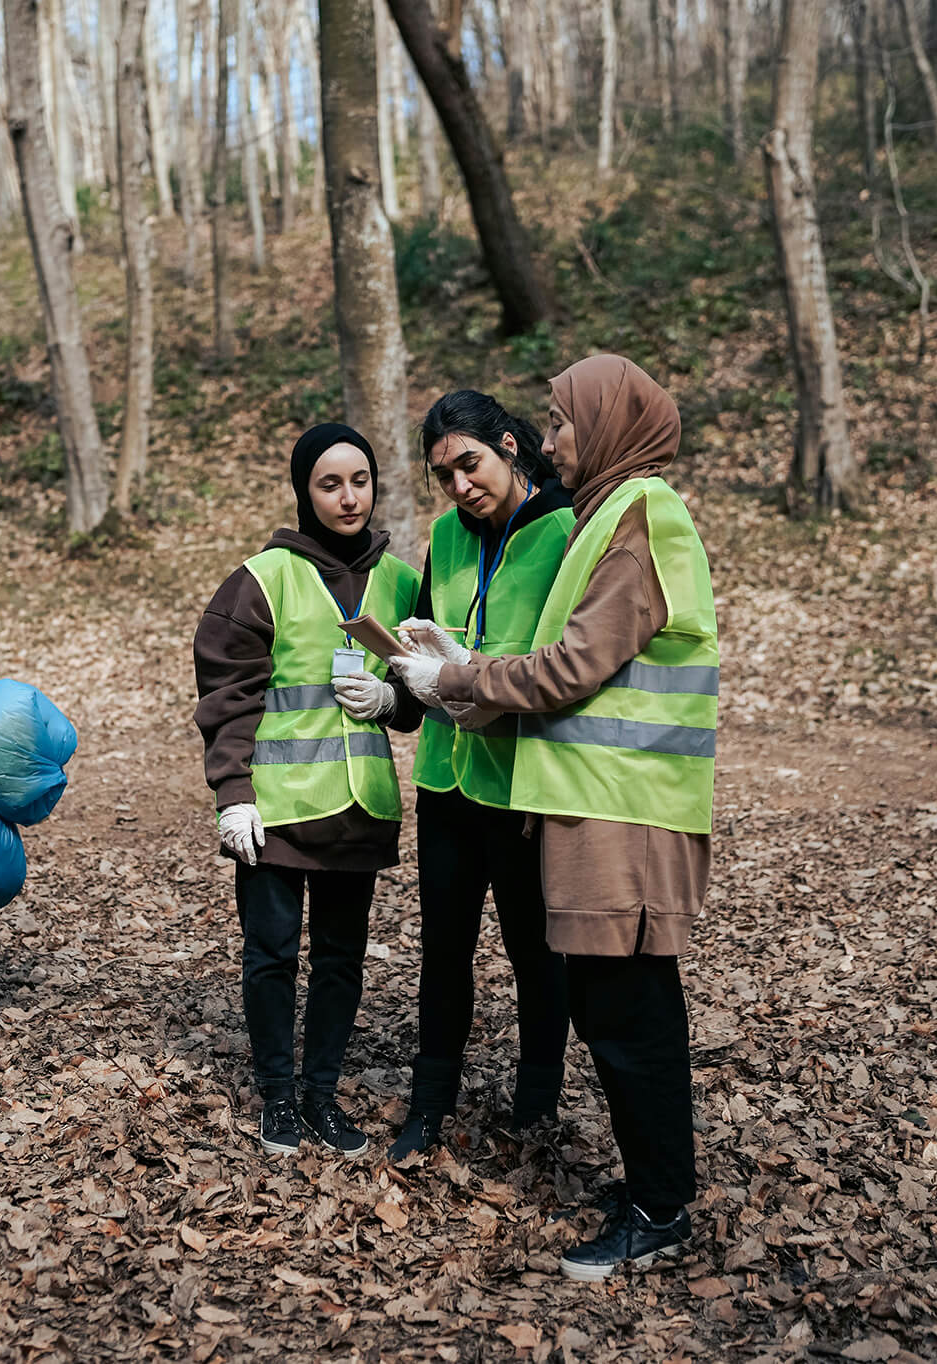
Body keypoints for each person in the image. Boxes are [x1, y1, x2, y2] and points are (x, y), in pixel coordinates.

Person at [390, 356, 716, 1281]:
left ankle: (659, 1210)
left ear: (608, 424)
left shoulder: (638, 516)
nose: (552, 439)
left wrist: (452, 677)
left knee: (628, 1015)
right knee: (621, 1009)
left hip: (627, 811)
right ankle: (657, 1185)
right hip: (592, 807)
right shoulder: (615, 513)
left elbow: (570, 667)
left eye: (562, 420)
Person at [334, 392, 577, 1163]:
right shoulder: (444, 535)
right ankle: (429, 1103)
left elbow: (568, 665)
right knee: (443, 949)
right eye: (445, 475)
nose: (460, 487)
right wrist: (395, 693)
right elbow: (426, 664)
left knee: (536, 949)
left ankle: (537, 1101)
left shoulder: (568, 528)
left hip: (523, 779)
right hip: (446, 779)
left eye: (469, 464)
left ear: (510, 446)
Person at [193, 423, 421, 1158]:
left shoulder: (400, 583)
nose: (348, 496)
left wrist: (394, 704)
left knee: (341, 961)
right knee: (270, 955)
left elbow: (422, 692)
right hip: (278, 810)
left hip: (359, 809)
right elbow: (227, 694)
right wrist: (233, 794)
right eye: (330, 483)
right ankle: (278, 1098)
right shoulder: (263, 579)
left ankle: (322, 1095)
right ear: (304, 492)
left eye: (360, 480)